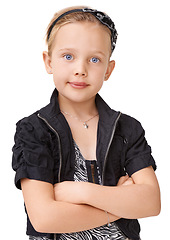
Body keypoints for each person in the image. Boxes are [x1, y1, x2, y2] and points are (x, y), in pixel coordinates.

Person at [12, 6, 161, 240]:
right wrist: (120, 206)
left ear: (108, 69)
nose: (80, 70)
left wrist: (80, 190)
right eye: (68, 56)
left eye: (94, 59)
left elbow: (151, 203)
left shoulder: (127, 129)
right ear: (48, 61)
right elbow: (44, 218)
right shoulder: (34, 130)